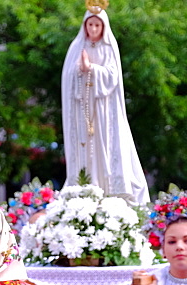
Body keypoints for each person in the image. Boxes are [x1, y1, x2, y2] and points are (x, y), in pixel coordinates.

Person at [60, 7, 149, 204]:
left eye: (97, 25)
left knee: (105, 147)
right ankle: (84, 189)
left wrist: (90, 68)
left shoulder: (109, 47)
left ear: (103, 27)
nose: (93, 29)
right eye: (90, 24)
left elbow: (112, 77)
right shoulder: (77, 47)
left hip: (104, 110)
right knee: (86, 152)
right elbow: (68, 78)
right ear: (85, 26)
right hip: (83, 108)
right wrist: (79, 69)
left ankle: (109, 190)